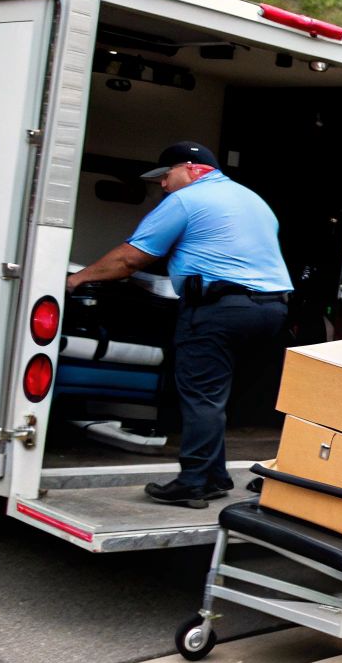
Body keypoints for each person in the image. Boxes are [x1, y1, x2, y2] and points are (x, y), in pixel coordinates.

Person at [67, 141, 291, 507]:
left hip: (219, 308)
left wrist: (77, 280)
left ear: (192, 169)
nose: (163, 185)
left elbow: (128, 260)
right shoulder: (251, 199)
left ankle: (194, 482)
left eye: (166, 175)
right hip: (271, 311)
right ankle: (215, 476)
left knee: (201, 395)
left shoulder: (186, 200)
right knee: (213, 395)